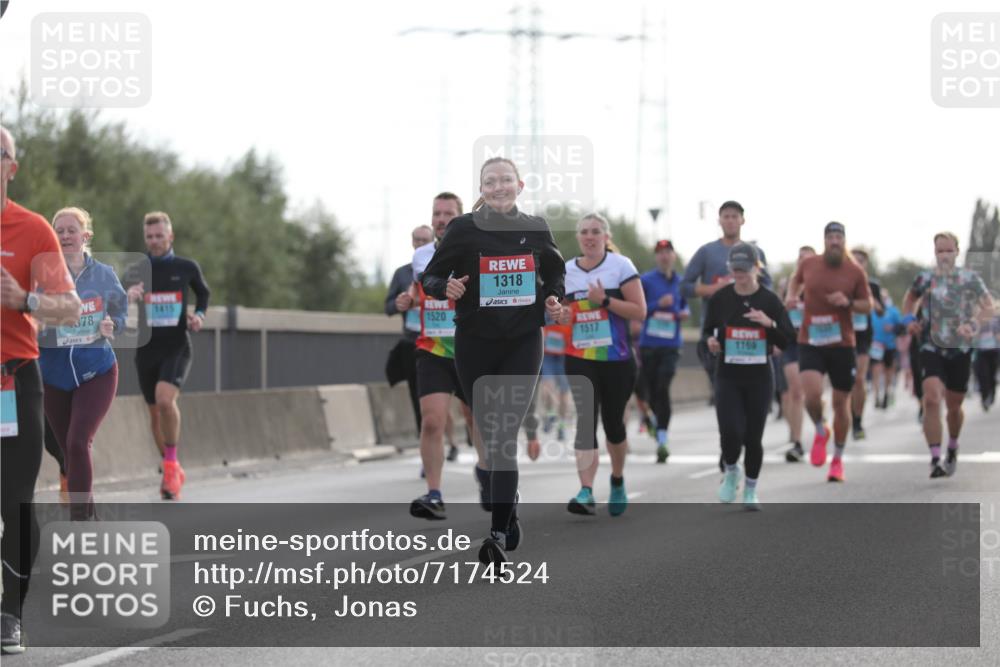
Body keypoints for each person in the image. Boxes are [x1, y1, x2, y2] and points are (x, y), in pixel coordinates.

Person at [422, 157, 565, 565]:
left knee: (503, 437)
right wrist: (443, 286)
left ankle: (497, 534)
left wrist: (555, 298)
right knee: (489, 431)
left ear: (519, 185)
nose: (498, 187)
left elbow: (555, 274)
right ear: (481, 188)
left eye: (506, 180)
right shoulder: (464, 229)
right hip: (475, 343)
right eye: (490, 182)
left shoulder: (535, 228)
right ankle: (509, 505)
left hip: (522, 341)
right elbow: (431, 277)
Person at [1, 126, 82, 655]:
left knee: (15, 503)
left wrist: (26, 298)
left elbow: (70, 307)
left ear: (11, 166)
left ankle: (10, 612)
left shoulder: (32, 230)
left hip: (13, 381)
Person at [38, 207, 127, 521]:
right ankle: (90, 518)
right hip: (53, 375)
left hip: (97, 372)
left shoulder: (103, 275)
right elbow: (27, 315)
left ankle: (79, 524)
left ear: (85, 235)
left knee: (78, 441)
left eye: (70, 230)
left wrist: (112, 325)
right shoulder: (42, 275)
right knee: (68, 451)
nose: (64, 236)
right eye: (58, 231)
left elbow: (119, 310)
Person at [406, 193, 488, 520]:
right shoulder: (422, 255)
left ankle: (487, 473)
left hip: (471, 347)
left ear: (460, 217)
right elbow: (424, 286)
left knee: (475, 420)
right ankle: (435, 493)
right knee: (432, 421)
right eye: (436, 214)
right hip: (434, 348)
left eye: (448, 214)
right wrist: (408, 300)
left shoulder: (476, 249)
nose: (441, 219)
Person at [558, 214, 646, 516]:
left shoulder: (621, 267)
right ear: (579, 237)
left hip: (616, 359)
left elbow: (639, 311)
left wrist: (604, 301)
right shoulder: (567, 270)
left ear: (605, 236)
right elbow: (558, 312)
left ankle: (617, 479)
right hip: (580, 356)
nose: (589, 237)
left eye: (595, 232)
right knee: (585, 421)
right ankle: (585, 490)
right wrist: (562, 316)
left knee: (613, 425)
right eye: (584, 232)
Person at [123, 211, 210, 500]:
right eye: (149, 237)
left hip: (176, 346)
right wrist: (129, 294)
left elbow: (204, 293)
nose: (155, 241)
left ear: (170, 237)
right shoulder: (138, 269)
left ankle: (170, 467)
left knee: (164, 399)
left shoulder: (186, 267)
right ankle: (171, 467)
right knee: (154, 414)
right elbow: (116, 294)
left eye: (160, 236)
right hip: (146, 349)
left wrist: (198, 315)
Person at [703, 243, 794, 509]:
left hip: (759, 377)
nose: (739, 273)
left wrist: (769, 324)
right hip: (728, 375)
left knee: (753, 437)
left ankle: (751, 491)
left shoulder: (769, 300)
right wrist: (710, 341)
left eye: (744, 268)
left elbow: (788, 339)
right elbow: (707, 332)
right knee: (730, 432)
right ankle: (732, 471)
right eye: (735, 268)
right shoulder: (721, 299)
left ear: (756, 268)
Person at [681, 200, 771, 470]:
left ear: (743, 220)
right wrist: (712, 289)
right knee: (726, 398)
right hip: (716, 336)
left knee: (746, 403)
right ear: (719, 221)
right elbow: (684, 286)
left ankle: (734, 445)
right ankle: (729, 448)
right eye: (725, 217)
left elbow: (768, 288)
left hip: (750, 337)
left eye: (734, 216)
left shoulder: (756, 252)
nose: (730, 221)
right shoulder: (707, 253)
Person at [785, 222, 871, 483]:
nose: (834, 241)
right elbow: (794, 279)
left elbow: (867, 305)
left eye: (838, 237)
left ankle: (837, 460)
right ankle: (821, 429)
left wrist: (848, 303)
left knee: (840, 403)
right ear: (824, 240)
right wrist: (791, 296)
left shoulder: (855, 271)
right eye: (830, 237)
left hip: (842, 344)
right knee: (810, 395)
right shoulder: (810, 264)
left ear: (844, 241)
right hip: (810, 340)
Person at [902, 232, 994, 478]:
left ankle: (952, 445)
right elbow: (910, 298)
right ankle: (935, 459)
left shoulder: (969, 278)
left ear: (957, 251)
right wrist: (909, 319)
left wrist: (973, 325)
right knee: (931, 399)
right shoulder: (925, 277)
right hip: (930, 345)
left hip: (960, 348)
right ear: (934, 253)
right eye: (939, 251)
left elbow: (990, 306)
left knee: (954, 407)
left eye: (948, 250)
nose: (944, 255)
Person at [639, 239, 689, 463]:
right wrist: (658, 304)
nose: (664, 256)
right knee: (648, 392)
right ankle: (650, 420)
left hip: (671, 346)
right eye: (660, 253)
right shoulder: (646, 280)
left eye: (668, 252)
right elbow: (638, 309)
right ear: (656, 257)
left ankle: (662, 438)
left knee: (663, 386)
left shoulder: (682, 282)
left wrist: (683, 312)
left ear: (674, 256)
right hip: (649, 344)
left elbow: (685, 305)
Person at [384, 224, 435, 437]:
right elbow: (388, 308)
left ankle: (449, 441)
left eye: (425, 240)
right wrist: (403, 303)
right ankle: (426, 441)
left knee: (442, 398)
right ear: (412, 242)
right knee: (419, 396)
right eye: (417, 240)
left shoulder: (442, 269)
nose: (421, 244)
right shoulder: (403, 273)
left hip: (441, 340)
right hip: (413, 342)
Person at [781, 246, 816, 462]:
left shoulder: (819, 286)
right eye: (800, 258)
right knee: (794, 392)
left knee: (811, 395)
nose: (804, 262)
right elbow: (777, 311)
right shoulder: (789, 286)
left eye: (808, 259)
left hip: (813, 342)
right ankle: (796, 441)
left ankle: (818, 425)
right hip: (791, 343)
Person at [847, 248, 885, 440]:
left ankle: (857, 421)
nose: (857, 263)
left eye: (861, 261)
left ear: (866, 264)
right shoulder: (841, 281)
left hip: (863, 336)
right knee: (844, 381)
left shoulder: (872, 285)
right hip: (843, 335)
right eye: (854, 260)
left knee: (859, 380)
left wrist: (870, 300)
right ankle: (844, 416)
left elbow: (880, 312)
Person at [538, 316, 571, 444]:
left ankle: (561, 426)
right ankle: (551, 414)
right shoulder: (546, 311)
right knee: (547, 389)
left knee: (564, 395)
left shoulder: (569, 309)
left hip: (564, 357)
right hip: (548, 357)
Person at [871, 292, 903, 409]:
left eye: (884, 297)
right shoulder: (871, 310)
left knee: (888, 371)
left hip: (889, 345)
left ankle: (886, 393)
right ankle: (876, 396)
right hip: (875, 346)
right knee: (876, 370)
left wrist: (893, 328)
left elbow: (901, 328)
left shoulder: (893, 311)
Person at [973, 311, 999, 411]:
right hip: (981, 351)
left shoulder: (996, 318)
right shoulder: (976, 319)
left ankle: (992, 394)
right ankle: (984, 398)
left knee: (992, 375)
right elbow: (973, 334)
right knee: (983, 375)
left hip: (994, 351)